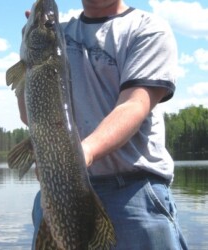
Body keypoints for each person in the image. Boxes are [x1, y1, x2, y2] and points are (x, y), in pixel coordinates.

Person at [18, 0, 189, 249]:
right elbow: (30, 116)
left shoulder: (147, 28)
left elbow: (133, 105)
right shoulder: (59, 35)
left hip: (133, 194)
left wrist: (80, 154)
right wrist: (26, 57)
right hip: (60, 195)